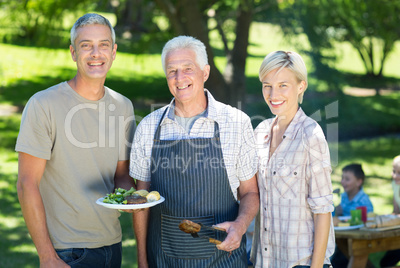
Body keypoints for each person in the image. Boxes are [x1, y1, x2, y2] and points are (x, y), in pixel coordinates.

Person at [15, 13, 136, 267]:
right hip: (66, 251)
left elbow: (121, 175)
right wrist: (47, 257)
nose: (95, 53)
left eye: (103, 45)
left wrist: (130, 197)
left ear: (113, 52)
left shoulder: (123, 106)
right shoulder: (43, 104)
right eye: (85, 45)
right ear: (73, 52)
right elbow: (27, 184)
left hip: (112, 246)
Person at [130, 35, 259, 267]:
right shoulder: (148, 127)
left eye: (188, 68)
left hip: (224, 259)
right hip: (164, 259)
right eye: (172, 71)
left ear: (205, 73)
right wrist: (142, 260)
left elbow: (250, 193)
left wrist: (240, 227)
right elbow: (140, 202)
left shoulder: (236, 123)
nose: (180, 78)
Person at [250, 51, 335, 267]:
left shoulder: (311, 136)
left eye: (283, 85)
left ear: (301, 86)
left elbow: (323, 211)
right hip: (265, 261)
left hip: (302, 262)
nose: (273, 93)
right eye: (267, 85)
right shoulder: (260, 132)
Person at [331, 163, 374, 267]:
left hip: (359, 238)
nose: (342, 182)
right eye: (342, 178)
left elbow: (369, 219)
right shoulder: (344, 196)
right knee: (336, 260)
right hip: (344, 238)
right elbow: (341, 215)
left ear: (359, 182)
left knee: (341, 261)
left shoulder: (363, 200)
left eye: (347, 179)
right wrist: (338, 211)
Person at [380, 154, 400, 268]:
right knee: (385, 263)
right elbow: (396, 211)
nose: (395, 176)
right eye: (394, 171)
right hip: (399, 233)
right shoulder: (395, 185)